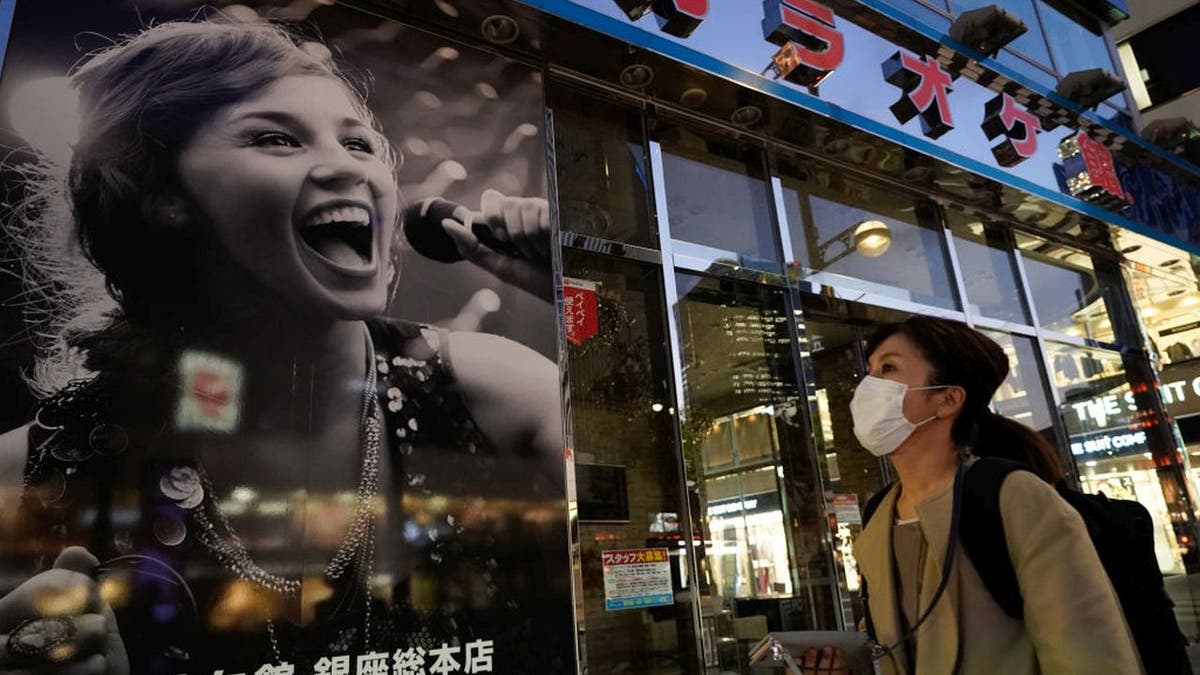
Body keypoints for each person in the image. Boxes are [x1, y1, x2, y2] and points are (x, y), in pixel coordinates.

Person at [0, 17, 568, 675]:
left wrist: (591, 295)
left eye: (360, 144)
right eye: (275, 138)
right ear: (162, 195)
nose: (345, 167)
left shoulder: (503, 398)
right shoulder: (24, 477)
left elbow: (650, 547)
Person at [800, 316, 1142, 674]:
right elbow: (893, 646)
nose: (869, 387)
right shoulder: (879, 514)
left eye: (888, 368)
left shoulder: (1013, 496)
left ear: (947, 400)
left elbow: (1089, 655)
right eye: (869, 371)